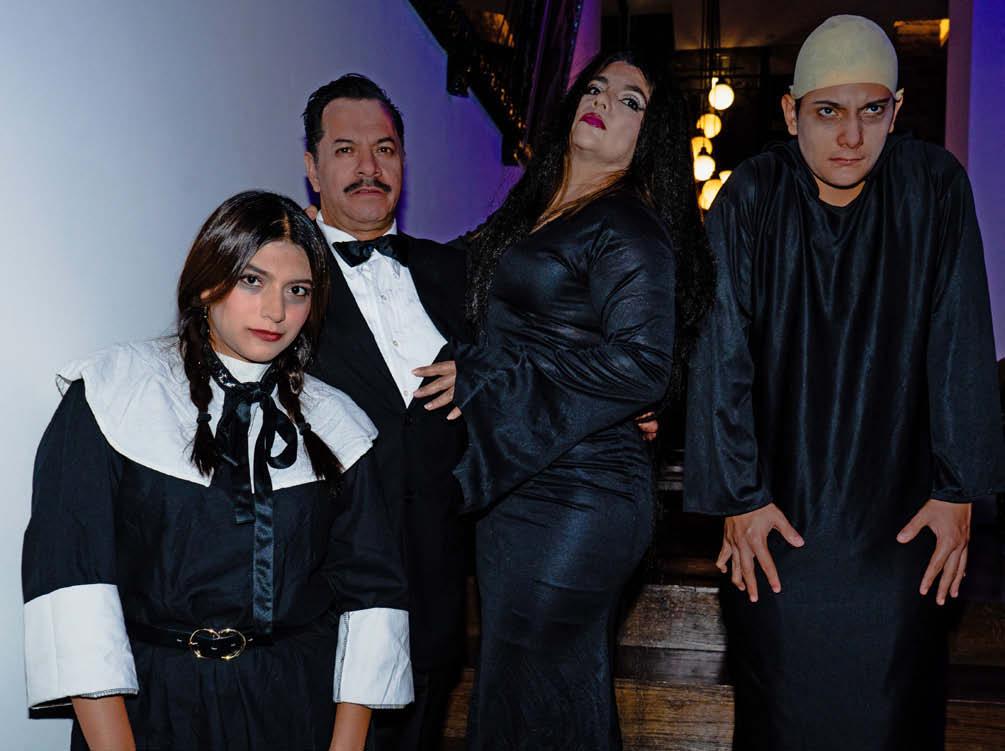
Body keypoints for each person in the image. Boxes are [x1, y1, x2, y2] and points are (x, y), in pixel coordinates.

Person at [684, 15, 1005, 751]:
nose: (851, 136)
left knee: (891, 718)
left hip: (900, 530)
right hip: (776, 527)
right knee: (781, 718)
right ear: (790, 111)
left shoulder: (934, 186)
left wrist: (958, 490)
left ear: (897, 109)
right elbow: (720, 351)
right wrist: (738, 497)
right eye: (828, 111)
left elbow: (960, 335)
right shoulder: (752, 195)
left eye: (872, 110)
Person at [21, 191, 413, 751]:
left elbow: (372, 597)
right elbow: (72, 586)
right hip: (152, 707)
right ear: (208, 283)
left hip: (298, 705)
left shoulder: (338, 422)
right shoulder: (113, 393)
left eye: (297, 291)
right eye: (253, 281)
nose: (276, 311)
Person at [415, 51, 716, 750]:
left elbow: (642, 365)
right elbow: (449, 274)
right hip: (517, 480)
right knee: (534, 693)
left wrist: (486, 372)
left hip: (580, 494)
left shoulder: (629, 225)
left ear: (650, 137)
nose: (604, 101)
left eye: (630, 101)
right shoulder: (534, 211)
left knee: (537, 693)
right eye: (596, 87)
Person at [302, 75, 469, 751]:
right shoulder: (281, 275)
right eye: (345, 149)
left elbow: (524, 366)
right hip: (320, 599)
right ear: (312, 167)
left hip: (434, 595)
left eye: (385, 148)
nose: (369, 166)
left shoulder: (457, 273)